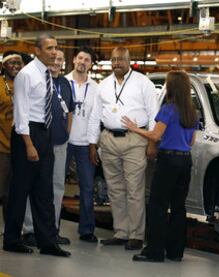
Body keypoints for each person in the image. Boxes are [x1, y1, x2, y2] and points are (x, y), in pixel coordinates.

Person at [3, 33, 71, 257]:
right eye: (49, 48)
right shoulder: (27, 75)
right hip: (27, 134)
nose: (54, 52)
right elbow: (21, 113)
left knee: (44, 191)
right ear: (38, 51)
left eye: (56, 47)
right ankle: (12, 239)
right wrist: (29, 144)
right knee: (20, 190)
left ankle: (48, 242)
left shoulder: (46, 75)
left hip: (44, 132)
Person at [122, 70, 198, 262]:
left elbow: (155, 135)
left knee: (158, 205)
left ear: (171, 87)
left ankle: (154, 251)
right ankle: (175, 252)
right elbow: (191, 142)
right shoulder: (192, 111)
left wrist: (135, 129)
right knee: (178, 207)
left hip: (168, 161)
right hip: (185, 161)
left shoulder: (168, 109)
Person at [88, 46, 158, 251]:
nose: (117, 63)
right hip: (108, 139)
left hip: (135, 140)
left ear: (129, 61)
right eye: (114, 59)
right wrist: (93, 144)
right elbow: (94, 116)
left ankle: (136, 235)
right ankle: (121, 232)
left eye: (121, 59)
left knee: (134, 189)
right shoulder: (104, 85)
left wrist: (152, 142)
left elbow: (154, 114)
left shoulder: (143, 83)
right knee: (115, 189)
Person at [22, 49, 75, 246]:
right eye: (53, 58)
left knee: (57, 187)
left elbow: (70, 111)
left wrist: (66, 134)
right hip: (38, 142)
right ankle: (29, 230)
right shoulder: (37, 79)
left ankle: (51, 230)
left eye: (60, 59)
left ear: (63, 62)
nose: (56, 61)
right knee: (34, 185)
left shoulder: (66, 84)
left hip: (59, 142)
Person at [65, 46, 99, 243]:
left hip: (86, 143)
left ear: (91, 65)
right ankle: (52, 226)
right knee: (56, 185)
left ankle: (86, 230)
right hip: (65, 142)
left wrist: (93, 144)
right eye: (80, 58)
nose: (82, 62)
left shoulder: (96, 88)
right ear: (74, 60)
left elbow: (96, 118)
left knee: (87, 188)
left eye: (87, 60)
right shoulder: (62, 82)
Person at [0, 51, 23, 222]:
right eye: (11, 62)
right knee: (2, 190)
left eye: (18, 63)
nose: (15, 66)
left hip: (21, 147)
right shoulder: (0, 85)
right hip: (3, 146)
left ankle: (11, 230)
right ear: (3, 65)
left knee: (15, 192)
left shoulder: (24, 84)